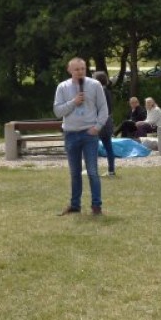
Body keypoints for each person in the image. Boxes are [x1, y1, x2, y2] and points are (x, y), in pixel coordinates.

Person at [54, 57, 108, 216]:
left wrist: (97, 127)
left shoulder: (95, 85)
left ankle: (96, 206)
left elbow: (103, 108)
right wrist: (73, 102)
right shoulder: (62, 87)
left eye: (83, 69)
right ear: (69, 70)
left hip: (89, 134)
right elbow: (57, 111)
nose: (80, 72)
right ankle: (75, 205)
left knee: (92, 172)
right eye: (76, 69)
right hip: (71, 134)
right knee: (74, 173)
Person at [93, 71, 117, 176]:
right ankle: (111, 170)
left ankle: (92, 170)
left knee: (92, 146)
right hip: (108, 121)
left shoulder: (99, 92)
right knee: (108, 147)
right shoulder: (108, 91)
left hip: (100, 121)